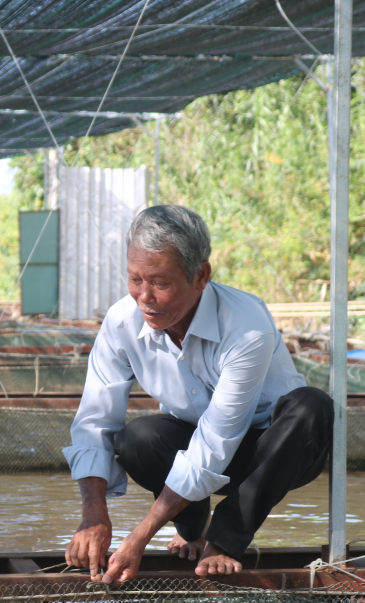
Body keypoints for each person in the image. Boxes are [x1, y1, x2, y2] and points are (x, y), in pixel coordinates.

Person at [63, 205, 332, 583]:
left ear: (200, 275)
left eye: (160, 282)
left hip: (272, 450)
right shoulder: (121, 321)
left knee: (312, 407)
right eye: (135, 279)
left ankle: (222, 541)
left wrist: (139, 537)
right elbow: (95, 420)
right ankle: (192, 527)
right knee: (137, 438)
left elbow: (217, 439)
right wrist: (94, 515)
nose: (145, 296)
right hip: (194, 440)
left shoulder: (246, 325)